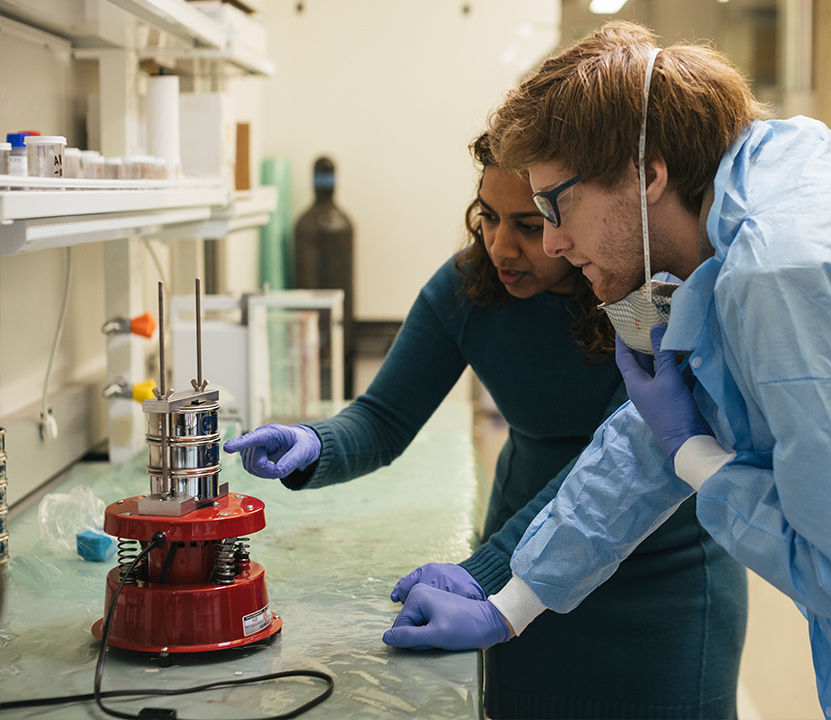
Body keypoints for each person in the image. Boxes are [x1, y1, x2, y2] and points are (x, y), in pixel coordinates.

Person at [387, 21, 831, 720]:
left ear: (645, 173)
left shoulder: (783, 272)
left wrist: (695, 456)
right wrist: (510, 601)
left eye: (556, 206)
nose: (557, 244)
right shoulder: (754, 187)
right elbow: (651, 431)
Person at [224, 133, 748, 719]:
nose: (501, 246)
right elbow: (383, 417)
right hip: (520, 579)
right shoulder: (470, 287)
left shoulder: (645, 298)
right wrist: (314, 443)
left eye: (529, 225)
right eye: (489, 217)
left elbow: (605, 473)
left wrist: (486, 576)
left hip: (658, 594)